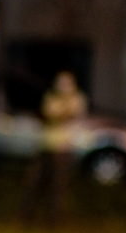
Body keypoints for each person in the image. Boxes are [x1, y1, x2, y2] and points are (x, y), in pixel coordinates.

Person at [21, 70, 88, 223]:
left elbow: (72, 114)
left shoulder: (78, 98)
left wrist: (61, 112)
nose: (62, 86)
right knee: (34, 182)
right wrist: (61, 113)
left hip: (64, 148)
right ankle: (26, 214)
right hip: (45, 145)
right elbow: (48, 114)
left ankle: (53, 218)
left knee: (58, 186)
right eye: (60, 82)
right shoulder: (50, 97)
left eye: (66, 83)